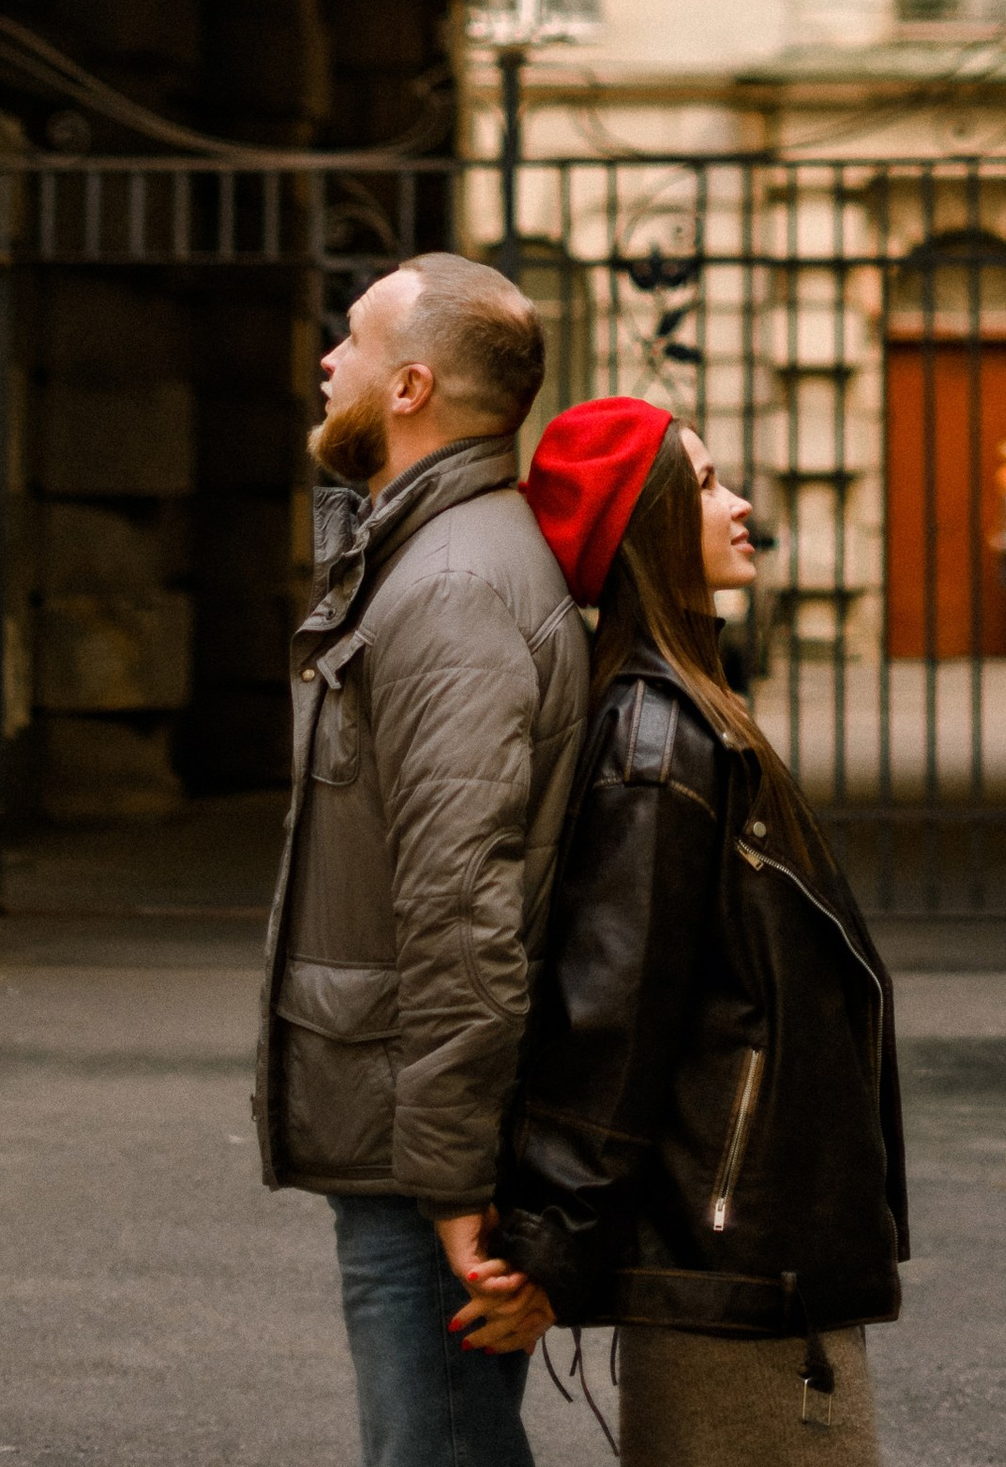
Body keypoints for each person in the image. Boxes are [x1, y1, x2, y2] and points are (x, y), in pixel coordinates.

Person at [456, 395, 909, 1462]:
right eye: (705, 484)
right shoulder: (658, 742)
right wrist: (552, 1253)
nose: (740, 504)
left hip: (760, 1247)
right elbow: (610, 1010)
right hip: (730, 1262)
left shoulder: (696, 715)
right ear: (645, 524)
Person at [255, 250, 589, 1467]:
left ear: (408, 388)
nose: (327, 360)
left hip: (417, 1138)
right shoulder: (427, 553)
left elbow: (460, 904)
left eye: (350, 338)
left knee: (435, 1454)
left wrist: (451, 1188)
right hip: (404, 1113)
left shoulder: (450, 584)